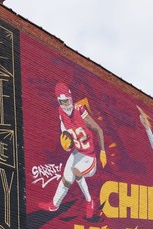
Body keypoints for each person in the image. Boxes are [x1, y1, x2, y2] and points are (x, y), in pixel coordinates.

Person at [39, 83, 106, 219]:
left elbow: (99, 129)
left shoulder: (80, 110)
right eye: (61, 102)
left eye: (67, 100)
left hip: (89, 156)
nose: (65, 104)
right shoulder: (61, 112)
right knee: (66, 179)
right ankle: (54, 204)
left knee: (76, 172)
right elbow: (65, 132)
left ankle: (89, 201)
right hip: (77, 153)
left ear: (71, 98)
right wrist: (66, 142)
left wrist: (103, 151)